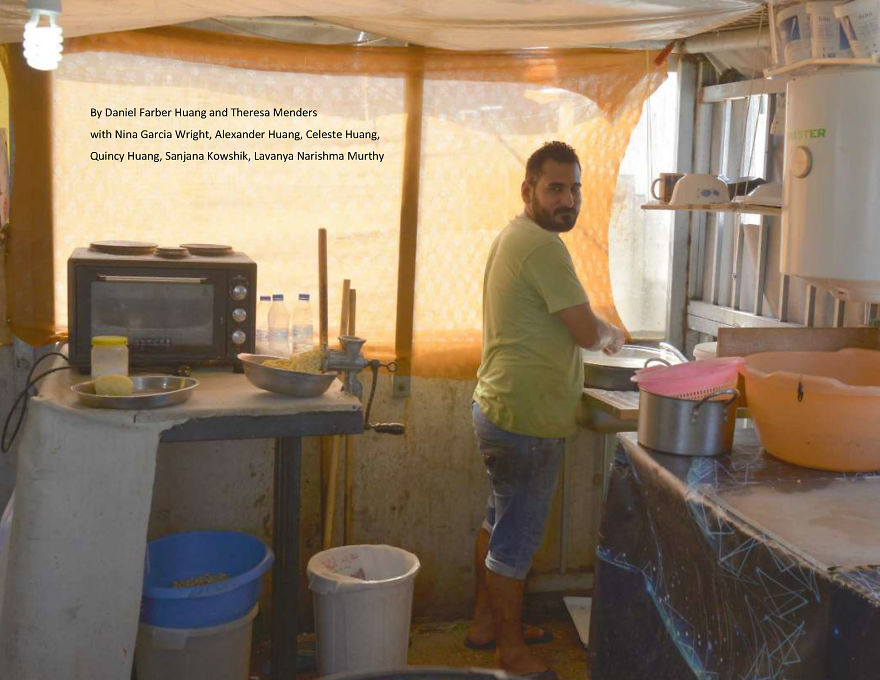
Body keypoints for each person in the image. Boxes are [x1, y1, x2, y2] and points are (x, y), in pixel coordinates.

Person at [467, 141, 626, 679]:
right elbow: (585, 331)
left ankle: (485, 624)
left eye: (575, 187)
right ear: (529, 190)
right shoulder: (542, 246)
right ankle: (511, 653)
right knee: (516, 539)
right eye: (556, 187)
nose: (568, 199)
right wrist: (612, 334)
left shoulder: (514, 236)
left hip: (500, 406)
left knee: (498, 521)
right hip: (526, 419)